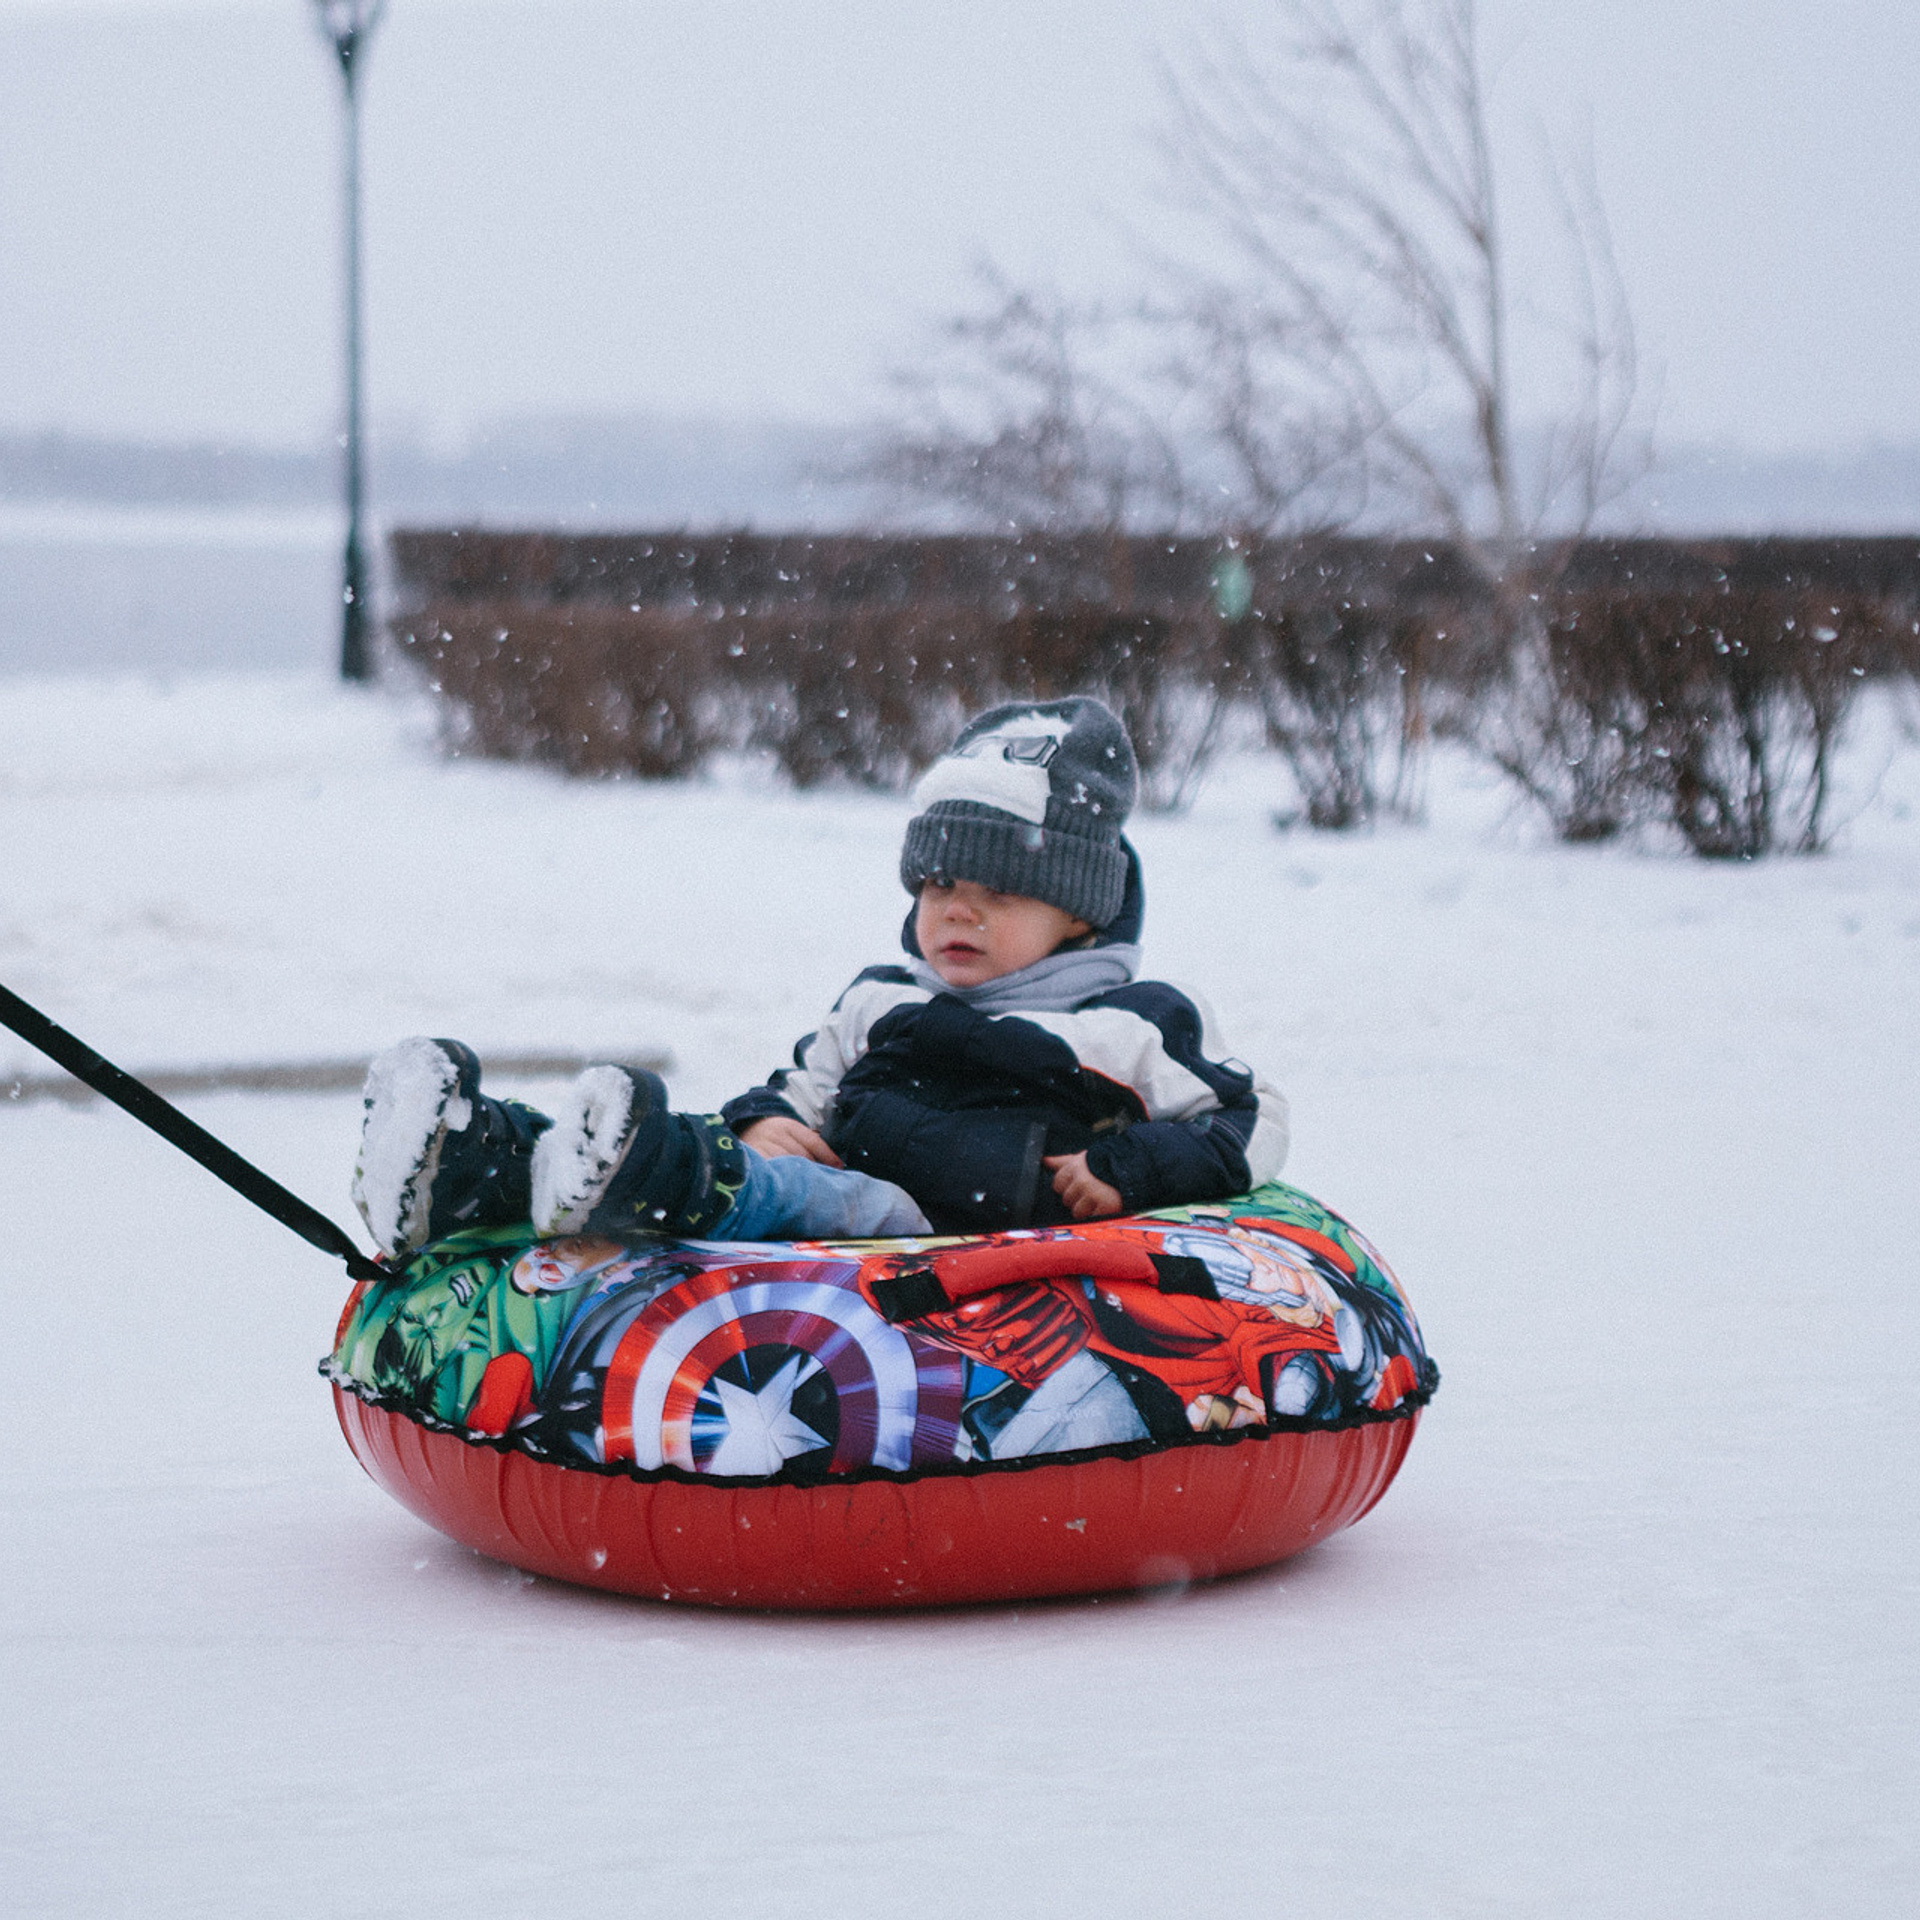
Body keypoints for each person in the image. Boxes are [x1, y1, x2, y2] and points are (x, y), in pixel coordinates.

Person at [351, 697, 1289, 1260]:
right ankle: (477, 1158)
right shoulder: (883, 999)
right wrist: (765, 1118)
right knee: (753, 1160)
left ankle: (644, 1172)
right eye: (938, 884)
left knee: (819, 1198)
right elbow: (801, 1088)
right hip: (839, 1199)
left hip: (926, 1233)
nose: (956, 912)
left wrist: (1127, 1168)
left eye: (999, 892)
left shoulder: (1130, 1025)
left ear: (1079, 910)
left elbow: (1251, 1123)